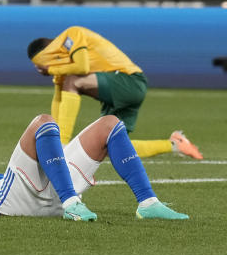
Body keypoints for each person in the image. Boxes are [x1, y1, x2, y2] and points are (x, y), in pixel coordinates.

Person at [0, 114, 190, 221]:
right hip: (6, 201)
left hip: (40, 193)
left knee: (109, 125)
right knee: (43, 122)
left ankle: (148, 203)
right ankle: (71, 203)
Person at [27, 26, 204, 160]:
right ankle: (175, 144)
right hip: (120, 90)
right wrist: (54, 134)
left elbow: (82, 67)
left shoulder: (72, 34)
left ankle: (62, 146)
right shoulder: (63, 65)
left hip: (130, 81)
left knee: (74, 80)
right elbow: (59, 97)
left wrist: (59, 146)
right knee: (112, 147)